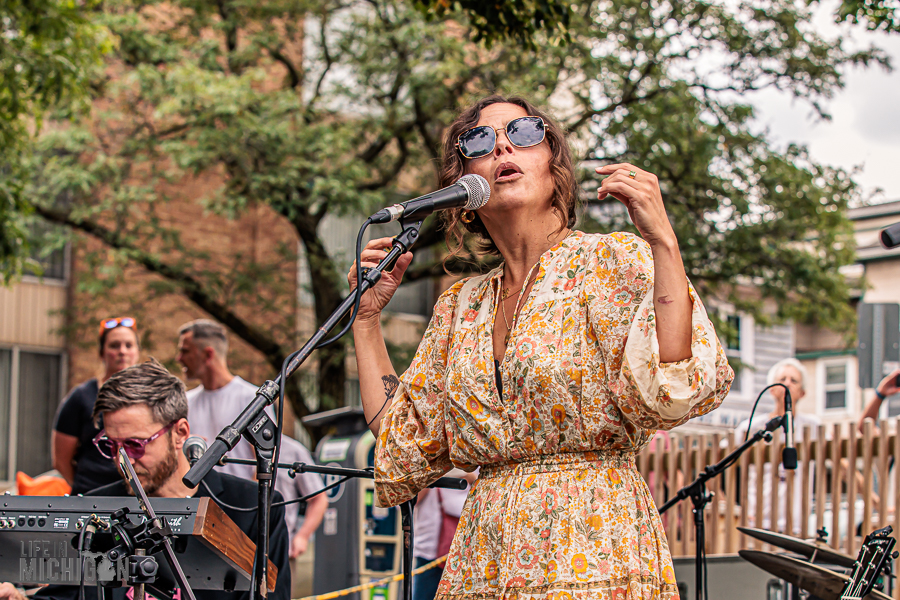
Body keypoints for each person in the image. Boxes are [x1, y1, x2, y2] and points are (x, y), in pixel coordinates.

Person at [349, 95, 733, 599]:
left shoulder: (610, 262)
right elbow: (400, 438)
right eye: (480, 141)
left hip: (593, 545)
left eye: (524, 132)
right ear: (463, 189)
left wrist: (663, 240)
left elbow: (676, 385)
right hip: (483, 556)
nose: (503, 144)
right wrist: (367, 318)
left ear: (557, 170)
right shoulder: (459, 305)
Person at [0, 359, 291, 600]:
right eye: (111, 446)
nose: (122, 459)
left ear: (180, 433)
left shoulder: (252, 508)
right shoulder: (100, 508)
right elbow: (72, 593)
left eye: (135, 445)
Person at [52, 317, 141, 494]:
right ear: (102, 352)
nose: (122, 351)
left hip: (137, 496)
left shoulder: (152, 397)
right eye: (114, 345)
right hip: (91, 494)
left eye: (128, 345)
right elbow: (61, 460)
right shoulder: (81, 397)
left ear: (137, 351)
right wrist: (87, 491)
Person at [734, 358, 819, 535]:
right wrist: (731, 506)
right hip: (758, 522)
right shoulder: (751, 427)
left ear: (803, 393)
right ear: (771, 389)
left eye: (794, 380)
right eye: (782, 379)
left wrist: (875, 501)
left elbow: (842, 465)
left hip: (797, 526)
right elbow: (723, 464)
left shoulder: (813, 427)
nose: (788, 384)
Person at [177, 319, 266, 480]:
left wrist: (249, 501)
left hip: (239, 499)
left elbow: (266, 460)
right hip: (198, 499)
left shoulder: (251, 398)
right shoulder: (186, 401)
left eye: (185, 351)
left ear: (208, 354)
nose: (179, 358)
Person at [412, 470, 477, 600]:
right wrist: (433, 476)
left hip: (466, 557)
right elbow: (406, 501)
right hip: (429, 554)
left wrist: (473, 479)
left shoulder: (475, 466)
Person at [275, 435, 328, 559]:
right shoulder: (226, 446)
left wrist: (302, 536)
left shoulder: (292, 450)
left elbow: (319, 498)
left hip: (281, 550)